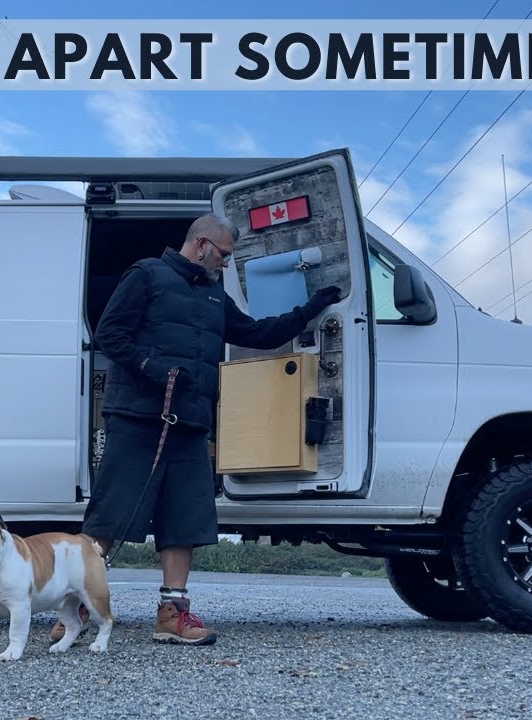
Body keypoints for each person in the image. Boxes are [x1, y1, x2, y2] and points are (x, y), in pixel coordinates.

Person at [52, 212, 341, 646]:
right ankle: (73, 609)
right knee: (109, 516)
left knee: (183, 520)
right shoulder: (147, 274)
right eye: (224, 254)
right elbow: (111, 334)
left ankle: (172, 614)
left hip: (191, 423)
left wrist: (311, 308)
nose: (226, 263)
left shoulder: (213, 296)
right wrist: (154, 367)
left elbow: (258, 334)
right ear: (202, 244)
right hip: (136, 417)